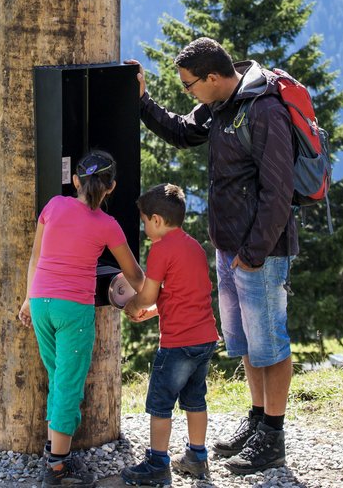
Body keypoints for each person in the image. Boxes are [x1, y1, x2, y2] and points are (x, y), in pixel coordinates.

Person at [125, 37, 298, 475]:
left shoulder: (264, 110)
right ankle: (257, 419)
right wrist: (143, 101)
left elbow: (279, 192)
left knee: (270, 343)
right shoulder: (222, 105)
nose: (189, 94)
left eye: (189, 86)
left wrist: (254, 253)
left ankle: (272, 437)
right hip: (230, 248)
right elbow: (183, 131)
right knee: (244, 341)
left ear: (214, 77)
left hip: (260, 251)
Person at [18, 150, 144, 488]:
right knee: (68, 385)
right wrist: (145, 301)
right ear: (111, 187)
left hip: (41, 302)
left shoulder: (53, 206)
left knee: (60, 378)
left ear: (75, 181)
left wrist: (29, 299)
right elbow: (134, 274)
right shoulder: (108, 225)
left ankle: (56, 450)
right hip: (72, 309)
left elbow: (36, 256)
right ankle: (57, 469)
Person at [120, 183, 219, 486]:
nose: (145, 227)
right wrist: (152, 312)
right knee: (195, 399)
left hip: (177, 345)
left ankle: (157, 464)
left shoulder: (161, 250)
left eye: (145, 221)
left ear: (157, 221)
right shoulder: (195, 247)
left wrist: (133, 305)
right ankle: (197, 458)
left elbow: (149, 295)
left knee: (161, 403)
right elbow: (184, 296)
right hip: (205, 339)